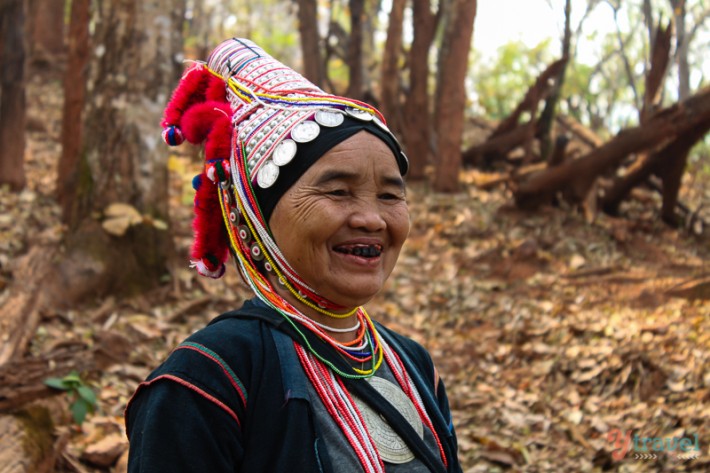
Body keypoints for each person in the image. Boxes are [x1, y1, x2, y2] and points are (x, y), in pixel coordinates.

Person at [125, 38, 462, 473]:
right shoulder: (207, 382)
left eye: (389, 195)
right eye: (338, 191)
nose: (372, 219)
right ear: (261, 219)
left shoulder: (414, 365)